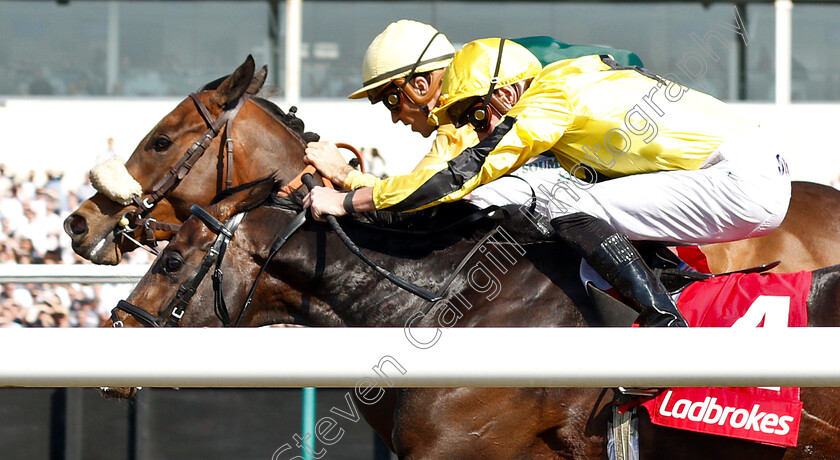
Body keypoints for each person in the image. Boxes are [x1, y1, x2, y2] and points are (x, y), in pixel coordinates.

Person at [305, 38, 792, 328]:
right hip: (746, 172)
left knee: (567, 207)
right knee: (568, 198)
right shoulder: (561, 84)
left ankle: (668, 331)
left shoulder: (549, 98)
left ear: (508, 90)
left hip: (739, 178)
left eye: (477, 114)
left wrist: (348, 199)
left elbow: (456, 178)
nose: (479, 130)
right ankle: (672, 287)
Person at [304, 20, 642, 212]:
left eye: (391, 101)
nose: (395, 118)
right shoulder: (481, 75)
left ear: (421, 85)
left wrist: (345, 177)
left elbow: (423, 194)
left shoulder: (470, 110)